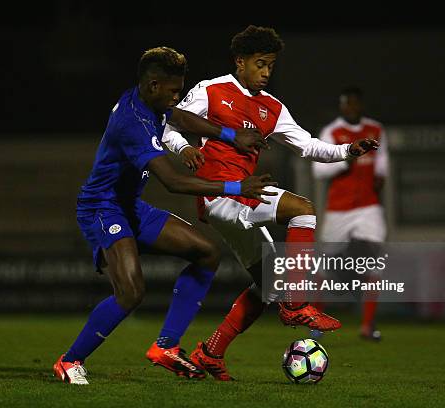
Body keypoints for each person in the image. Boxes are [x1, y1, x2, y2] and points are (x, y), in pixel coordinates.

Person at [162, 26, 379, 380]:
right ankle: (296, 303)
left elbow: (308, 146)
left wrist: (346, 151)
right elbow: (170, 124)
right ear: (240, 62)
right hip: (220, 194)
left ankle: (210, 353)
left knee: (267, 286)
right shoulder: (212, 90)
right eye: (260, 64)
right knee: (303, 209)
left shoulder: (272, 108)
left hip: (243, 196)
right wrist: (184, 147)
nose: (265, 72)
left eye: (271, 66)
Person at [52, 46, 277, 384]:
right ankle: (70, 362)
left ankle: (166, 347)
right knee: (131, 292)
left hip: (130, 205)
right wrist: (236, 187)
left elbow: (182, 118)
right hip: (103, 207)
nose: (178, 97)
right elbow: (172, 182)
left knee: (206, 253)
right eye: (174, 91)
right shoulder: (133, 123)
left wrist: (231, 135)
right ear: (154, 85)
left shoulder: (152, 102)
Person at [312, 86, 388, 341]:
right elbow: (319, 171)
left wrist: (380, 176)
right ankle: (316, 321)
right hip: (339, 209)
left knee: (375, 261)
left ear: (360, 105)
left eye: (355, 103)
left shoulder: (375, 130)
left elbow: (383, 161)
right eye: (347, 104)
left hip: (368, 207)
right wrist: (346, 160)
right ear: (341, 106)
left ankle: (368, 325)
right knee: (324, 265)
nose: (351, 108)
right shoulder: (332, 132)